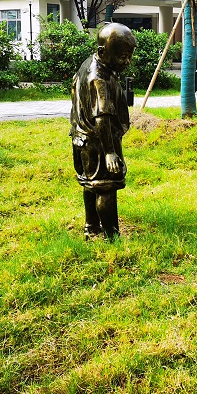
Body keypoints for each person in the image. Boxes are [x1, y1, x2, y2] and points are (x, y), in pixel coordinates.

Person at [70, 23, 136, 241]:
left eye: (129, 57)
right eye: (122, 57)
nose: (126, 62)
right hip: (99, 141)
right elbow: (103, 117)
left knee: (91, 184)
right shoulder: (99, 78)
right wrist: (110, 152)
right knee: (106, 187)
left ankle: (91, 226)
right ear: (102, 52)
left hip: (82, 138)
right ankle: (112, 237)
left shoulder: (89, 65)